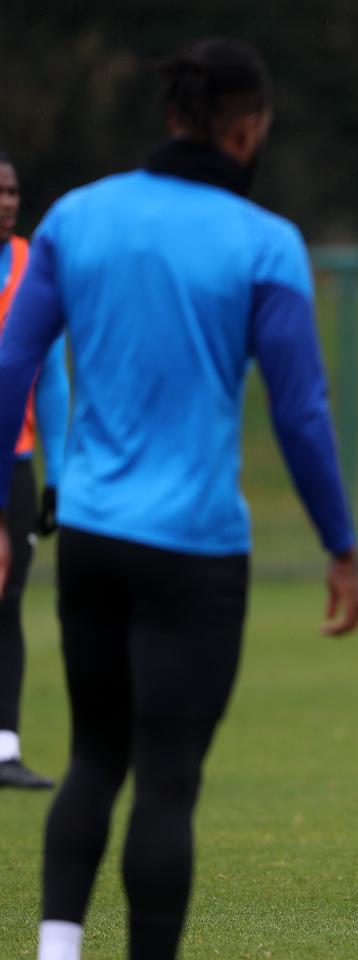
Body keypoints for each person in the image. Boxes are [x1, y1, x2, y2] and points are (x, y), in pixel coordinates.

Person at [0, 39, 358, 960]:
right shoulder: (264, 242)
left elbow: (11, 363)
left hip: (88, 533)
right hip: (196, 549)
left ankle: (54, 949)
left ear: (170, 118)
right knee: (166, 778)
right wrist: (340, 545)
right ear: (249, 131)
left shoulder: (75, 218)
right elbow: (301, 412)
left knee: (92, 756)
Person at [0, 149, 69, 790]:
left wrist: (58, 473)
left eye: (12, 190)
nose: (7, 201)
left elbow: (49, 379)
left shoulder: (33, 263)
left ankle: (4, 747)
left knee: (8, 598)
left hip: (13, 463)